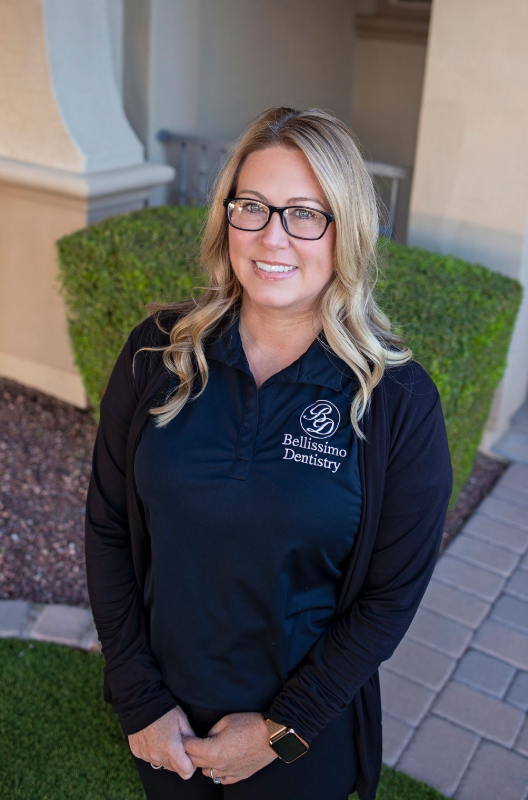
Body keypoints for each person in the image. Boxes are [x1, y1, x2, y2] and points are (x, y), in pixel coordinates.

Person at [85, 106, 453, 800]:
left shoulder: (396, 399)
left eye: (304, 213)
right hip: (166, 723)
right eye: (251, 206)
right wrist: (138, 699)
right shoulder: (156, 353)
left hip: (301, 739)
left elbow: (388, 596)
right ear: (225, 216)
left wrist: (282, 729)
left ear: (346, 230)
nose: (271, 236)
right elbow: (108, 527)